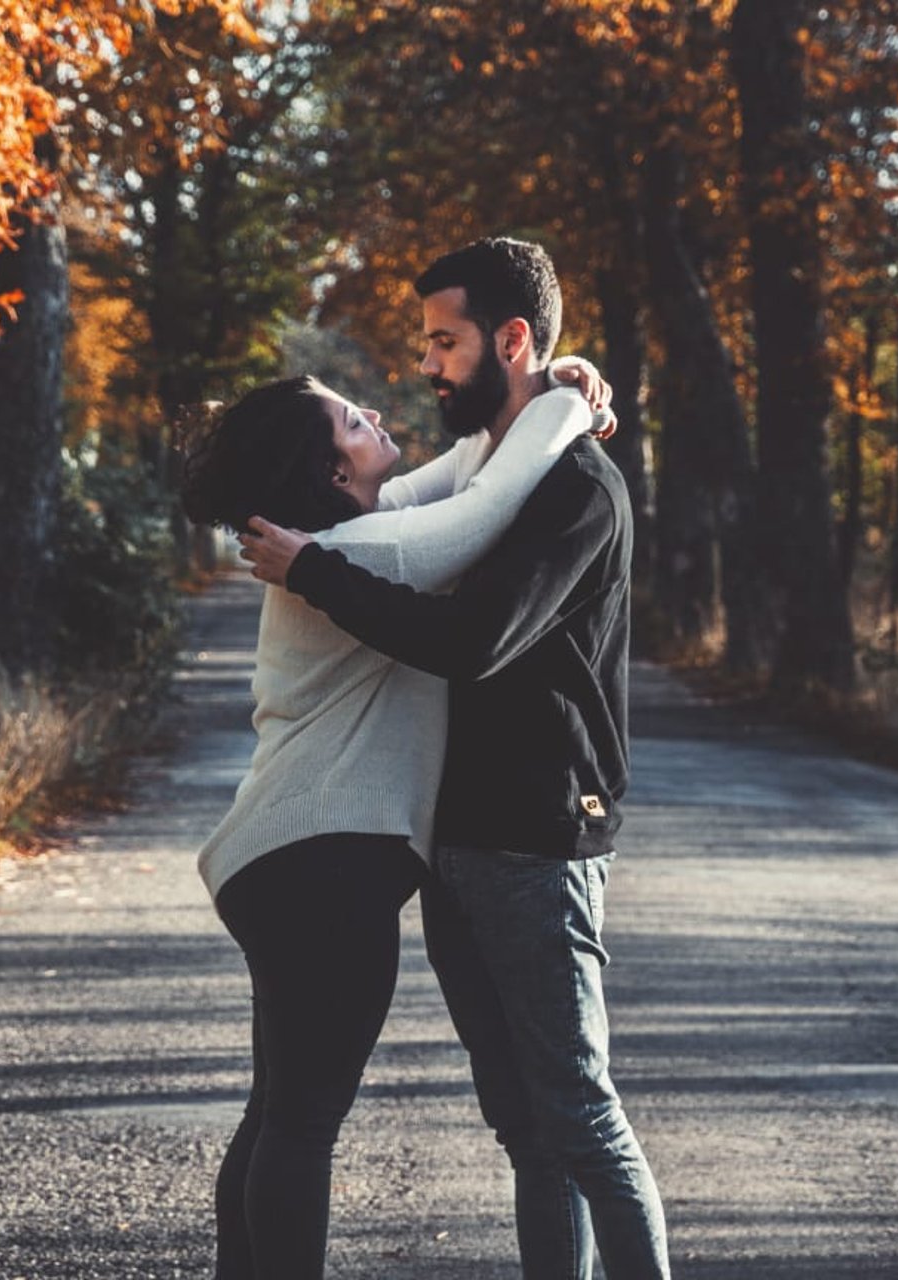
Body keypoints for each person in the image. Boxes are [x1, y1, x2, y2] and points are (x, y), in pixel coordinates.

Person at [238, 237, 671, 1279]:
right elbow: (430, 505)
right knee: (526, 1125)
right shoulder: (497, 464)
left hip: (539, 839)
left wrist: (316, 572)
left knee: (579, 1115)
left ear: (510, 338)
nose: (426, 367)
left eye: (445, 342)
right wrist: (564, 384)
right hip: (460, 842)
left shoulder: (576, 490)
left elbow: (474, 636)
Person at [181, 358, 611, 1279]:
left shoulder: (357, 535)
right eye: (350, 419)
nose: (374, 412)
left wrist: (553, 384)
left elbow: (469, 468)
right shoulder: (360, 556)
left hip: (294, 862)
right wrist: (568, 403)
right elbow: (487, 505)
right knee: (300, 1122)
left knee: (278, 1115)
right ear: (337, 471)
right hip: (319, 866)